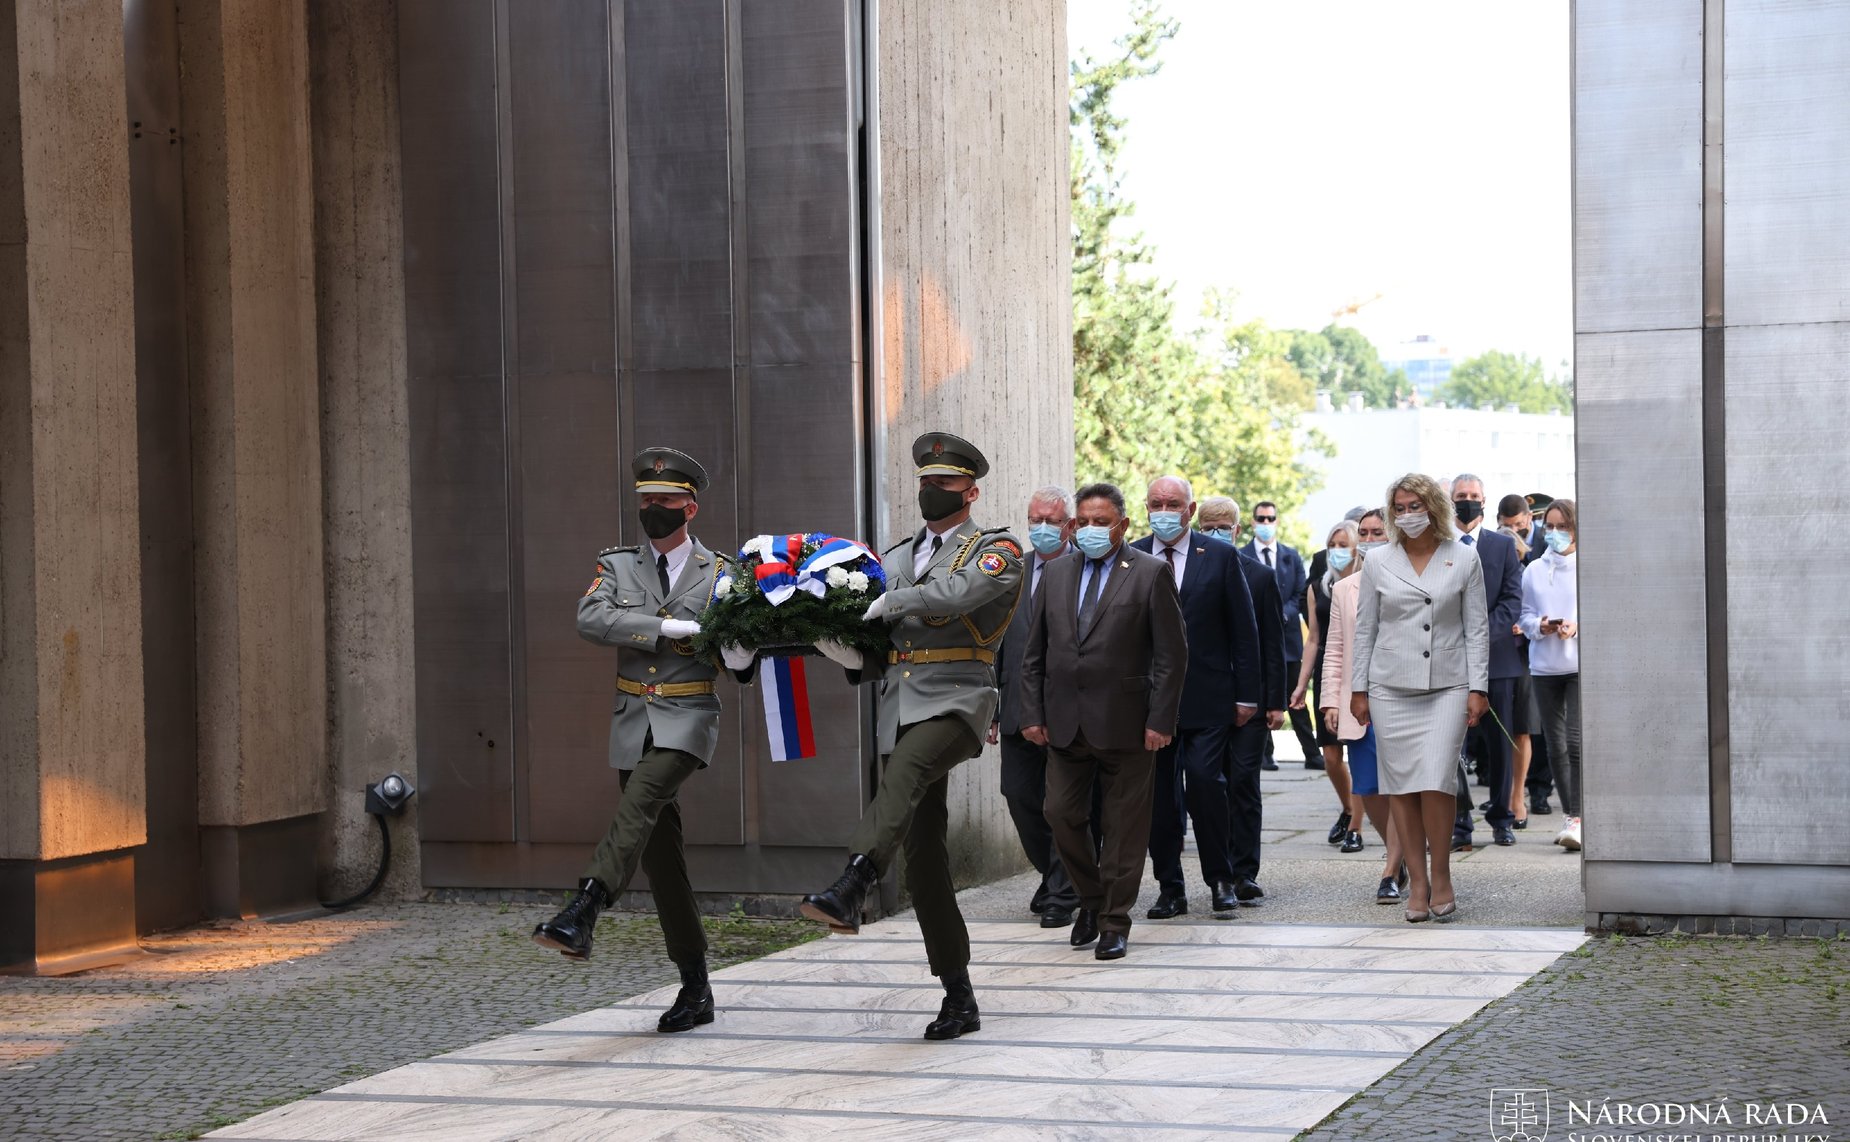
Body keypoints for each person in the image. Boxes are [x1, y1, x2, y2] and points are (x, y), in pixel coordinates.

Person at [797, 432, 1025, 1041]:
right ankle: (959, 994)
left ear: (971, 492)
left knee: (905, 772)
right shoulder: (895, 557)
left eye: (945, 482)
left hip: (958, 700)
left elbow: (960, 594)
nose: (932, 490)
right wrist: (836, 644)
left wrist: (891, 601)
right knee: (925, 861)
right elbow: (882, 644)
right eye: (926, 481)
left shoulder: (996, 550)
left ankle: (855, 880)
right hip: (900, 706)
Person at [532, 447, 728, 1034]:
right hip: (633, 720)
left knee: (639, 803)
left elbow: (735, 644)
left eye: (664, 500)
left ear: (689, 508)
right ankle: (695, 986)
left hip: (688, 717)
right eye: (645, 501)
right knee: (661, 858)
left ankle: (585, 907)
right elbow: (590, 618)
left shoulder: (721, 572)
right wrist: (663, 626)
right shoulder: (617, 565)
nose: (652, 510)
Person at [1019, 482, 1187, 961]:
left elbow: (1172, 655)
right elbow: (1034, 652)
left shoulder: (1150, 572)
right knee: (1060, 814)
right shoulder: (1055, 573)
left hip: (1129, 724)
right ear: (1074, 525)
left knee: (1123, 828)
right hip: (1064, 722)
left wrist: (1161, 719)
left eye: (1103, 522)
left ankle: (1114, 921)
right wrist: (1032, 712)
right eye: (1085, 522)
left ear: (1123, 525)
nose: (1092, 529)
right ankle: (1091, 900)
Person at [1350, 473, 1490, 923]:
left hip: (1448, 684)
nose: (1408, 515)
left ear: (1434, 507)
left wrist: (1478, 687)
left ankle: (1442, 874)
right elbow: (1366, 629)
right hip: (1390, 687)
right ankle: (1418, 881)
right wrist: (1358, 689)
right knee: (1402, 786)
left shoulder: (1463, 556)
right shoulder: (1378, 560)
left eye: (1416, 506)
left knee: (1437, 779)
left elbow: (1477, 628)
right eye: (1400, 508)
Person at [1133, 476, 1262, 918]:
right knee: (1160, 799)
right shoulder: (1133, 555)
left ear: (1190, 511)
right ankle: (1170, 887)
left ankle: (1221, 879)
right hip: (1151, 702)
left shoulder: (1221, 556)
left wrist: (1248, 695)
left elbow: (1244, 631)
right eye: (1156, 503)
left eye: (1173, 504)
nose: (1163, 511)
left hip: (1209, 696)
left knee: (1207, 784)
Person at [992, 485, 1081, 928]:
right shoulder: (1013, 571)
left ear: (1070, 525)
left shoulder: (1087, 568)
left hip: (1069, 711)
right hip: (1015, 707)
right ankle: (1056, 874)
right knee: (1019, 796)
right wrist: (992, 708)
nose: (1041, 527)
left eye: (1051, 520)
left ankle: (1063, 893)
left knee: (1063, 805)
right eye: (1035, 519)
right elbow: (994, 641)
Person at [1199, 496, 1286, 904]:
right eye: (1208, 526)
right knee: (1209, 785)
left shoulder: (1260, 576)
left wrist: (1275, 702)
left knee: (1244, 782)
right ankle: (1219, 866)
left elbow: (1273, 643)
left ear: (1236, 530)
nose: (1216, 532)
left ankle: (1244, 872)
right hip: (1206, 700)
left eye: (1223, 526)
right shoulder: (1191, 571)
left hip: (1251, 699)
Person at [1320, 507, 1408, 902]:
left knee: (1401, 787)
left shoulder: (1409, 579)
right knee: (1370, 788)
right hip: (1360, 704)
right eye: (1365, 533)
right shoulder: (1345, 588)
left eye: (1378, 532)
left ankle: (1391, 867)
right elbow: (1335, 649)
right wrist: (1330, 700)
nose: (1370, 540)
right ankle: (1399, 853)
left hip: (1404, 699)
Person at [1451, 474, 1525, 850]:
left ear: (1484, 500)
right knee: (1452, 747)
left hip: (1497, 661)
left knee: (1500, 746)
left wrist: (1478, 636)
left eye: (1473, 495)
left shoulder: (1502, 545)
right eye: (1461, 495)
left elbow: (1512, 600)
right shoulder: (1439, 543)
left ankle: (1501, 818)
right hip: (1449, 662)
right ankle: (1459, 823)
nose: (1467, 500)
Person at [1520, 498, 1582, 852]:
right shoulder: (1533, 570)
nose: (1555, 533)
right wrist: (1540, 626)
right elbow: (1525, 615)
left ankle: (1580, 815)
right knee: (1555, 744)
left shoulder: (1587, 566)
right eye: (1551, 526)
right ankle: (1571, 815)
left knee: (1576, 741)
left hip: (1577, 665)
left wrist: (1576, 626)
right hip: (1544, 665)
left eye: (1563, 526)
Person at [1295, 520, 1361, 850]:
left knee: (1360, 753)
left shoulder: (1368, 583)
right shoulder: (1319, 586)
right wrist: (1301, 684)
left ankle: (1357, 827)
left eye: (1343, 544)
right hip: (1328, 670)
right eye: (1332, 544)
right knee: (1331, 756)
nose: (1336, 551)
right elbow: (1313, 639)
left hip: (1359, 670)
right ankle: (1349, 808)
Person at [1244, 501, 1319, 770]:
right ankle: (1265, 754)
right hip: (1256, 639)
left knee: (1295, 699)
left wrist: (1279, 615)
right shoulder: (1241, 556)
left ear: (1276, 521)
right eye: (1261, 518)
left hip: (1288, 640)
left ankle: (1312, 753)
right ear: (1252, 522)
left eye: (1270, 518)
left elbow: (1300, 593)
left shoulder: (1291, 556)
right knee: (1260, 695)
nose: (1265, 523)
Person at [1494, 515, 1540, 831]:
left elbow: (1538, 612)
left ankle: (1517, 796)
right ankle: (1500, 795)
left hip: (1523, 658)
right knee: (1498, 733)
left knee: (1522, 729)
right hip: (1494, 656)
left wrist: (1524, 624)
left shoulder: (1529, 576)